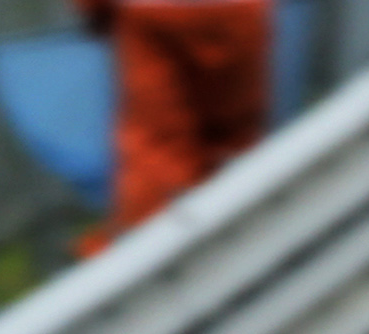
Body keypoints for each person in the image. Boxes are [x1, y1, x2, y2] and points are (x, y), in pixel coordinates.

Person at [83, 0, 278, 246]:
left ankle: (149, 254)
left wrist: (95, 12)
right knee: (234, 140)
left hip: (151, 15)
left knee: (157, 149)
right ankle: (253, 239)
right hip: (238, 12)